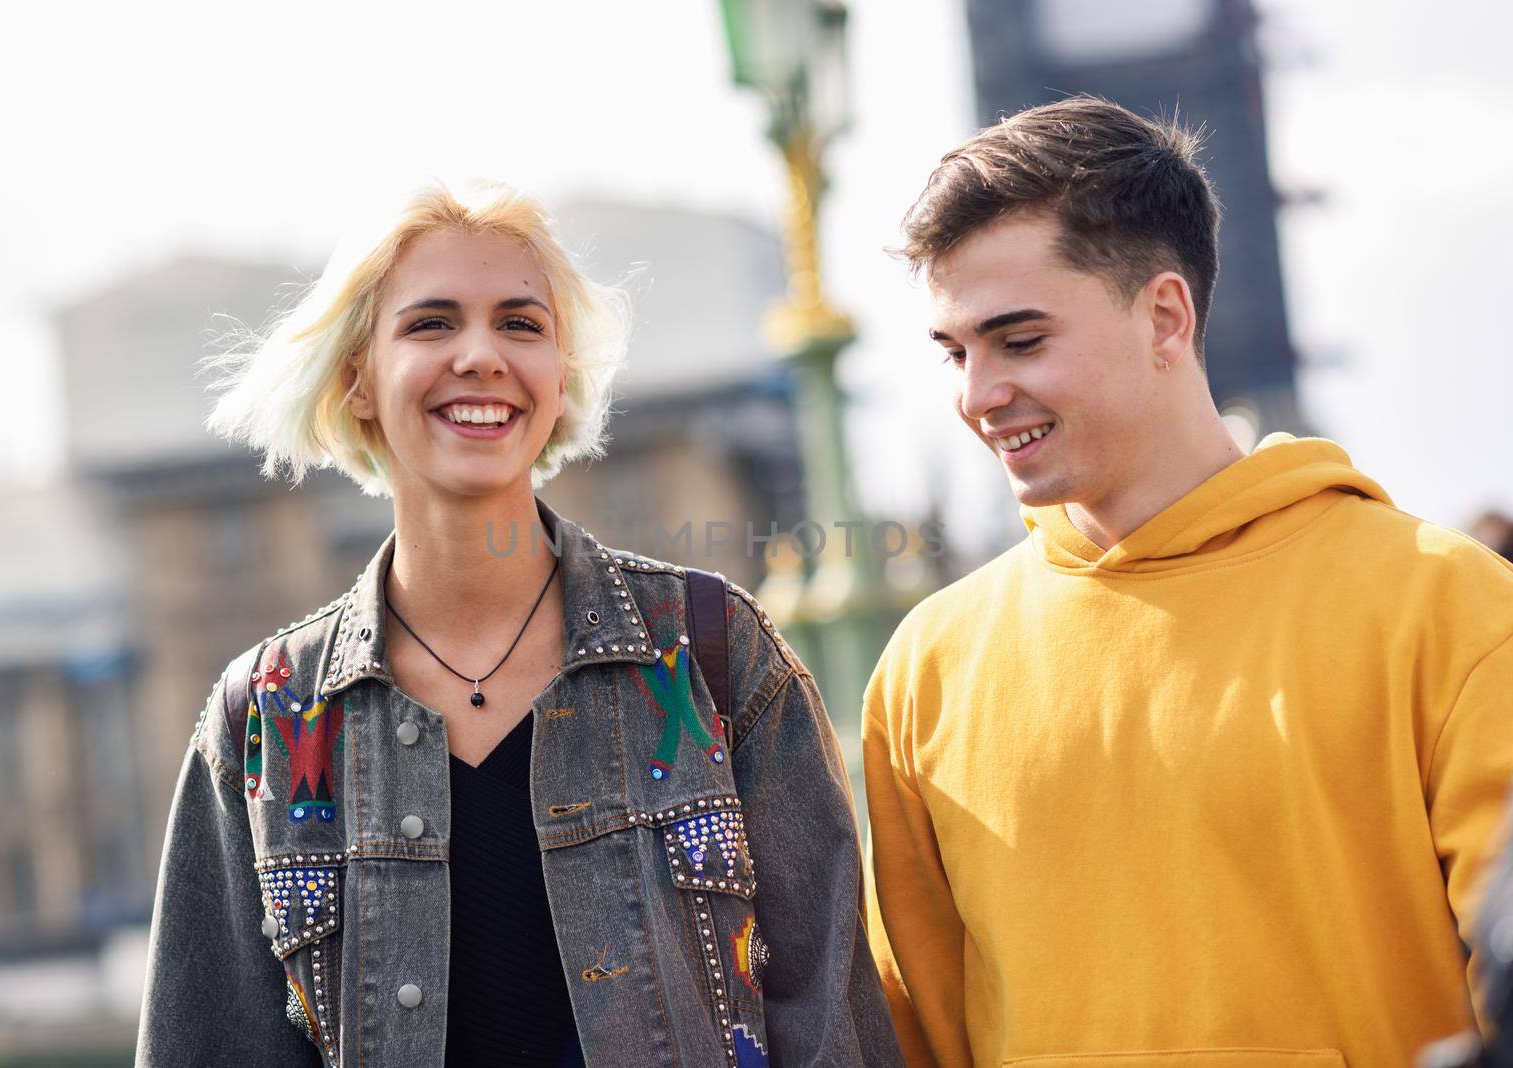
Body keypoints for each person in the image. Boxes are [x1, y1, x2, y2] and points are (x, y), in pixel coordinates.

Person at [135, 182, 901, 1067]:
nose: (481, 356)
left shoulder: (712, 655)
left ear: (561, 376)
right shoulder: (264, 721)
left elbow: (833, 1024)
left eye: (521, 324)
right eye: (430, 324)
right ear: (356, 382)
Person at [861, 95, 1513, 1068]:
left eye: (1019, 339)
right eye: (955, 352)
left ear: (1165, 314)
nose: (977, 395)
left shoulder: (1443, 607)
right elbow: (916, 1030)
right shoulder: (928, 668)